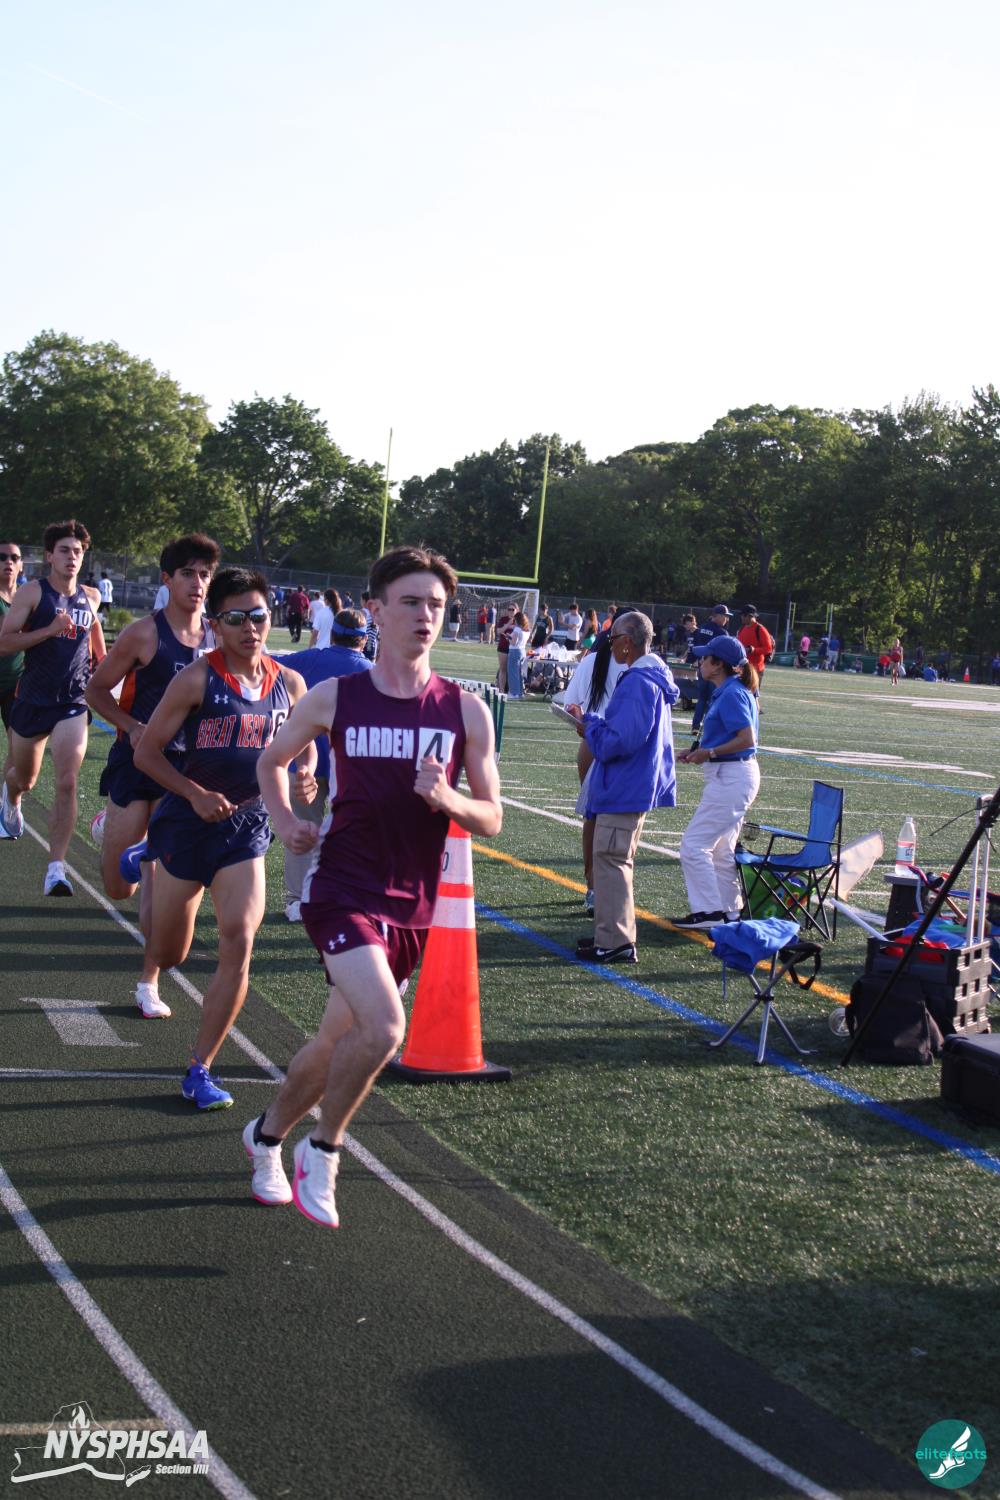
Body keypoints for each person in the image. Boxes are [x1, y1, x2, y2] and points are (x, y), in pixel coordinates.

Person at [246, 543, 502, 1225]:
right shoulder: (338, 697)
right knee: (386, 1028)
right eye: (411, 602)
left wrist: (448, 800)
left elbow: (492, 817)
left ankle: (265, 1136)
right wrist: (286, 823)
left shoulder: (465, 710)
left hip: (412, 904)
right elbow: (271, 762)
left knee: (337, 1043)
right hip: (341, 888)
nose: (426, 616)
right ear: (375, 611)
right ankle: (325, 1149)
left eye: (436, 605)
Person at [131, 567, 314, 1110]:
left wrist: (305, 770)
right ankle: (146, 858)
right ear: (215, 625)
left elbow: (304, 742)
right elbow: (146, 753)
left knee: (239, 938)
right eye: (236, 618)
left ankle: (200, 1068)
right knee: (169, 952)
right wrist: (193, 794)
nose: (249, 628)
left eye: (258, 616)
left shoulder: (290, 683)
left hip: (246, 829)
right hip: (188, 825)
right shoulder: (195, 680)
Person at [85, 534, 220, 1017]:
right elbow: (96, 690)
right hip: (136, 763)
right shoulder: (144, 634)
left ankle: (148, 983)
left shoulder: (218, 638)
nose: (198, 583)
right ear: (167, 579)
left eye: (205, 574)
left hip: (186, 773)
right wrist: (132, 726)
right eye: (188, 574)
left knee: (162, 889)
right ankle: (120, 835)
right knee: (118, 887)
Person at [0, 520, 105, 894]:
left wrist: (105, 665)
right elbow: (5, 643)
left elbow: (94, 633)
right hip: (32, 701)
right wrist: (49, 630)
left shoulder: (91, 597)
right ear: (49, 556)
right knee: (24, 779)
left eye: (77, 551)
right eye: (64, 550)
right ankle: (11, 797)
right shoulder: (32, 593)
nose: (72, 557)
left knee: (67, 780)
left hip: (72, 702)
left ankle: (56, 869)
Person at [567, 611, 678, 964]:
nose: (610, 645)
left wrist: (591, 727)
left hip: (625, 784)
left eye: (613, 639)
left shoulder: (638, 682)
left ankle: (616, 940)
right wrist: (594, 723)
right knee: (611, 860)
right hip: (631, 783)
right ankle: (612, 935)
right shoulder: (647, 677)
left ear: (627, 643)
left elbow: (621, 740)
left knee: (612, 861)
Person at [271, 608, 373, 922]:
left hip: (304, 759)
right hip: (351, 766)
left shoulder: (310, 659)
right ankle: (347, 897)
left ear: (333, 634)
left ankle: (298, 900)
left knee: (302, 828)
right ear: (364, 640)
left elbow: (265, 666)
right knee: (353, 832)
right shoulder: (372, 671)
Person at [673, 636, 760, 929]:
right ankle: (729, 910)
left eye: (705, 657)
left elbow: (747, 740)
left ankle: (709, 912)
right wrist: (699, 751)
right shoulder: (730, 690)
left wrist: (709, 753)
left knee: (694, 845)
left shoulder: (732, 693)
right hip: (731, 774)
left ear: (718, 664)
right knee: (722, 850)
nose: (700, 662)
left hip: (732, 777)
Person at [561, 625, 629, 913]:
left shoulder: (592, 660)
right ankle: (610, 888)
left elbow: (569, 704)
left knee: (594, 818)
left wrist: (584, 719)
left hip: (591, 742)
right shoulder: (639, 663)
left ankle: (593, 887)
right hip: (620, 745)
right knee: (622, 821)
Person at [0, 541, 25, 809]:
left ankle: (5, 804)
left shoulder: (27, 599)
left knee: (18, 747)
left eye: (14, 557)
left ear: (21, 565)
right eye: (2, 557)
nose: (8, 561)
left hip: (14, 683)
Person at [688, 605, 732, 740]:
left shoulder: (701, 628)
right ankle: (709, 728)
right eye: (725, 616)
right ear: (717, 616)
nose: (726, 619)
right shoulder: (722, 632)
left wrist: (695, 660)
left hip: (702, 667)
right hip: (716, 670)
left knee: (702, 698)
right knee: (713, 699)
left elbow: (695, 647)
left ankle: (695, 726)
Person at [736, 606, 774, 680]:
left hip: (756, 670)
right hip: (742, 668)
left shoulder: (760, 629)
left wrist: (753, 650)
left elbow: (768, 649)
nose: (741, 617)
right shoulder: (742, 628)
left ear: (750, 616)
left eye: (743, 615)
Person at [506, 611, 529, 698]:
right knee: (519, 674)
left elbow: (513, 642)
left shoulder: (517, 629)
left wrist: (508, 637)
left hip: (515, 651)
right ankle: (520, 693)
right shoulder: (526, 629)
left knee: (513, 673)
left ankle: (514, 693)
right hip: (522, 651)